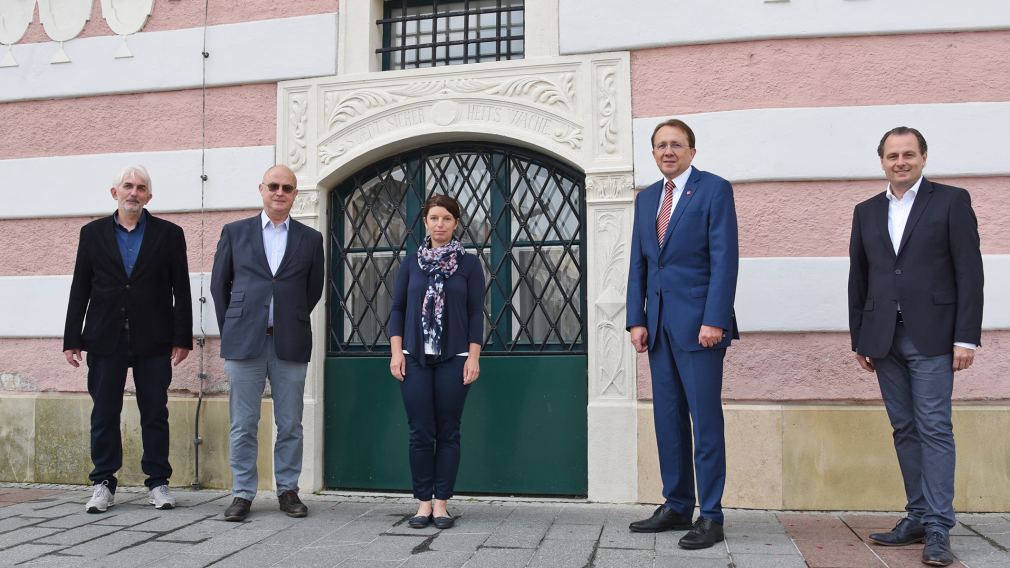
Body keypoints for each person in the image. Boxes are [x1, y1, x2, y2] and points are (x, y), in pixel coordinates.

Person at [849, 126, 983, 567]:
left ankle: (939, 526)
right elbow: (859, 276)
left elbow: (970, 273)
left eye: (908, 154)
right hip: (883, 337)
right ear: (882, 161)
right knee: (904, 428)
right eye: (892, 156)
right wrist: (860, 337)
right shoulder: (866, 211)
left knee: (934, 427)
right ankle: (918, 516)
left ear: (923, 157)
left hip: (933, 336)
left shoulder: (951, 201)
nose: (900, 162)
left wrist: (966, 337)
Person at [625, 119, 739, 549]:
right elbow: (639, 262)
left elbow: (725, 258)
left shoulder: (714, 190)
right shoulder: (647, 198)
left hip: (700, 328)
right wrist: (636, 319)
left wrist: (715, 319)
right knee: (668, 420)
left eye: (676, 144)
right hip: (658, 328)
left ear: (692, 150)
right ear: (653, 153)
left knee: (704, 421)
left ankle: (711, 516)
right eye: (660, 145)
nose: (668, 151)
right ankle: (676, 505)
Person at [63, 165, 192, 513]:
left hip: (154, 338)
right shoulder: (92, 234)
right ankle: (103, 482)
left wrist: (182, 337)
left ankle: (158, 482)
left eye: (140, 187)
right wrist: (72, 337)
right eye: (127, 186)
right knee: (105, 412)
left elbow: (181, 289)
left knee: (155, 412)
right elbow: (80, 287)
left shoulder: (170, 234)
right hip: (105, 337)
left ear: (149, 196)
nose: (133, 192)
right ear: (115, 193)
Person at [210, 164, 325, 521]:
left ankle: (288, 490)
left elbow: (312, 290)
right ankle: (242, 493)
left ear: (295, 194)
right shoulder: (235, 232)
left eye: (287, 188)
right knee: (243, 423)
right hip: (244, 342)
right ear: (262, 189)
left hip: (290, 341)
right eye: (273, 186)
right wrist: (236, 326)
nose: (279, 192)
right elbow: (219, 286)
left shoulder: (310, 239)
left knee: (290, 423)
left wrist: (288, 317)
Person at [388, 195, 484, 530]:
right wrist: (396, 352)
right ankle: (423, 503)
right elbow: (397, 309)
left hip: (454, 357)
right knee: (420, 432)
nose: (439, 224)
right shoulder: (411, 263)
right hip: (414, 357)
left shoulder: (469, 265)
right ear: (426, 222)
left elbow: (475, 313)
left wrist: (474, 357)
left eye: (446, 218)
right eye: (434, 218)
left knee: (448, 431)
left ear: (456, 223)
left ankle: (441, 504)